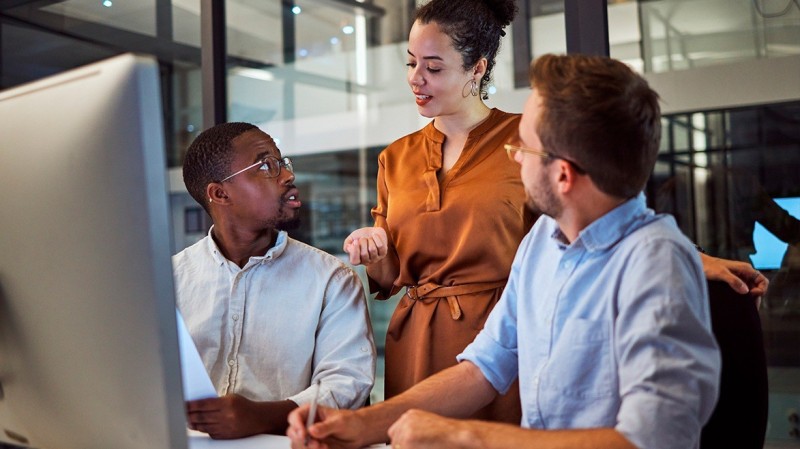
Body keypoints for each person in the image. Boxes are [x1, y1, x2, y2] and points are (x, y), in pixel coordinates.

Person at [341, 0, 765, 426]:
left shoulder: (534, 144)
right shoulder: (399, 161)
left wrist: (693, 261)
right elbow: (395, 283)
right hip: (422, 341)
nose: (417, 78)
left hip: (502, 324)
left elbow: (606, 223)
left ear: (476, 69)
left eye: (433, 67)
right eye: (412, 63)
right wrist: (362, 424)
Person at [289, 54, 722, 449]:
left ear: (564, 176)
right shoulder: (541, 244)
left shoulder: (655, 264)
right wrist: (363, 424)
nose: (513, 158)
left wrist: (462, 435)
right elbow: (485, 366)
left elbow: (653, 440)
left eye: (522, 147)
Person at [174, 122, 376, 439]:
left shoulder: (331, 280)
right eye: (266, 166)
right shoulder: (171, 280)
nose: (287, 176)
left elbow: (346, 384)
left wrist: (262, 417)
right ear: (220, 193)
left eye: (282, 163)